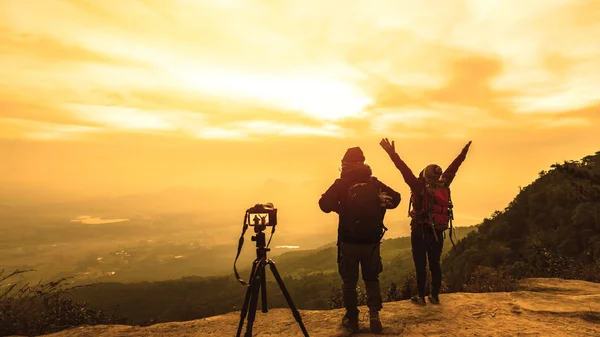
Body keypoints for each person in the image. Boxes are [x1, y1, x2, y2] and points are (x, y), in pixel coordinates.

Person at [379, 138, 472, 305]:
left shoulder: (418, 186)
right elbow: (453, 169)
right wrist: (463, 153)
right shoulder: (444, 183)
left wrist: (391, 152)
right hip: (438, 230)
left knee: (420, 264)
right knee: (435, 263)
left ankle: (421, 296)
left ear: (424, 175)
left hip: (420, 230)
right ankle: (435, 295)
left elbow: (403, 169)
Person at [319, 147, 401, 334]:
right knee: (371, 278)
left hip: (348, 241)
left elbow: (324, 205)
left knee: (349, 282)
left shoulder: (341, 183)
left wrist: (341, 208)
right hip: (371, 241)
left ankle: (353, 319)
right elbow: (396, 198)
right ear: (363, 163)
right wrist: (380, 204)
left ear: (344, 164)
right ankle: (374, 316)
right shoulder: (373, 182)